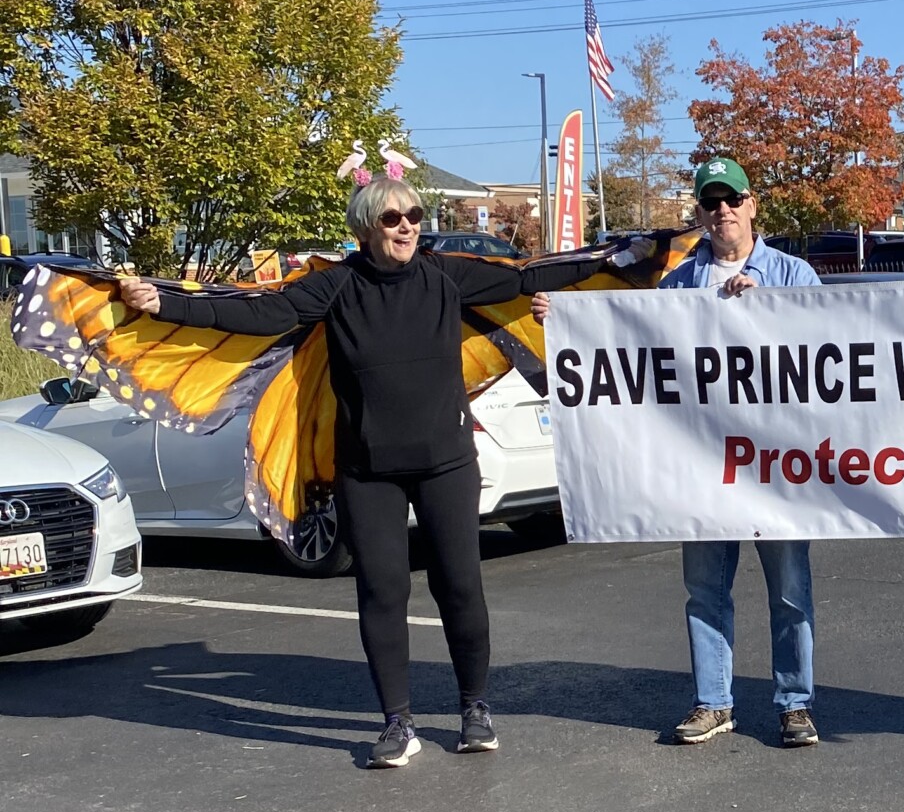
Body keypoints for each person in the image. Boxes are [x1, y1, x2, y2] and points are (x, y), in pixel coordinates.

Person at [116, 173, 606, 767]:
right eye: (393, 219)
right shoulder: (337, 286)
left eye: (414, 216)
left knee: (460, 586)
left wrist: (626, 265)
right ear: (366, 228)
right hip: (367, 469)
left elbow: (531, 274)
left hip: (446, 463)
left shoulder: (445, 275)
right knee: (381, 592)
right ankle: (397, 722)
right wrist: (166, 302)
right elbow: (256, 312)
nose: (407, 227)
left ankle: (475, 708)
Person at [657, 156, 823, 747]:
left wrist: (768, 311)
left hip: (779, 466)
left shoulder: (794, 276)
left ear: (753, 204)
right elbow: (641, 357)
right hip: (704, 464)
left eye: (732, 199)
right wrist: (566, 322)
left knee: (789, 589)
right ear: (699, 212)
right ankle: (713, 701)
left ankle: (794, 702)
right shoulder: (676, 284)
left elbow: (830, 356)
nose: (722, 209)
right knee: (704, 590)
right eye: (710, 201)